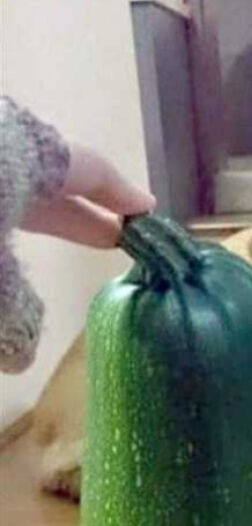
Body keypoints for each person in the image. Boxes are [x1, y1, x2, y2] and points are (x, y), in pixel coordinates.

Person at [0, 96, 155, 374]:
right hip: (12, 147)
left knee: (68, 173)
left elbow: (17, 338)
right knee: (61, 181)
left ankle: (127, 199)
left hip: (11, 146)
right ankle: (122, 208)